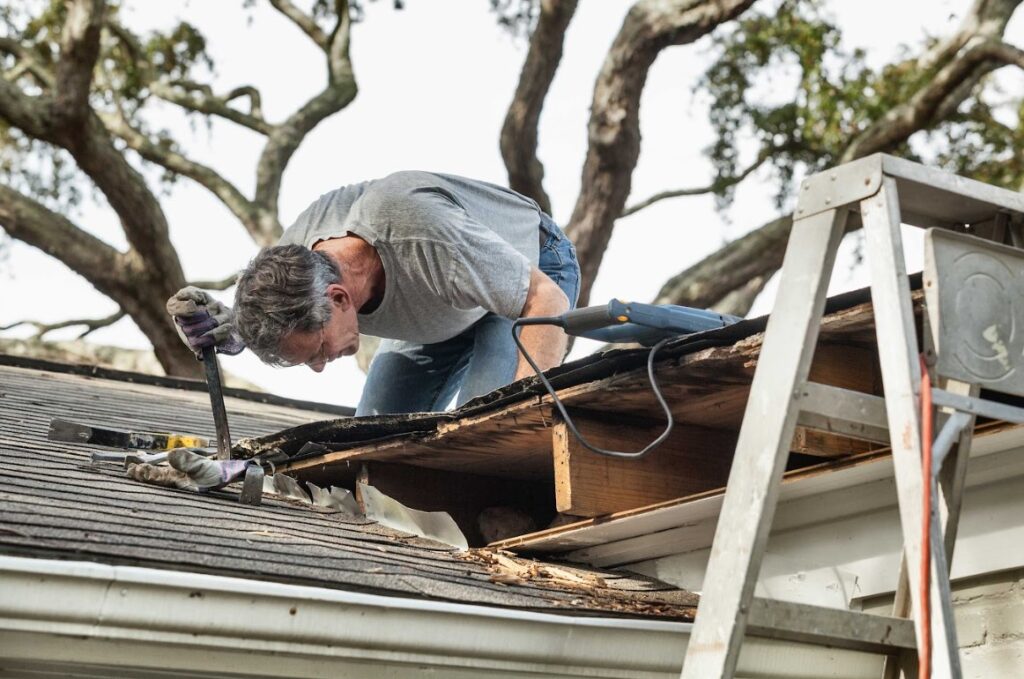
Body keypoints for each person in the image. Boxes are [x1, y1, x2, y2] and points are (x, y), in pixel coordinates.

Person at [167, 170, 581, 416]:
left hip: (530, 270)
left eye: (317, 351)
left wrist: (526, 420)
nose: (320, 367)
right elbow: (273, 322)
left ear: (339, 298)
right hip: (445, 296)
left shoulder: (421, 234)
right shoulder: (293, 266)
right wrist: (229, 328)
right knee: (369, 436)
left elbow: (544, 299)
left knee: (488, 419)